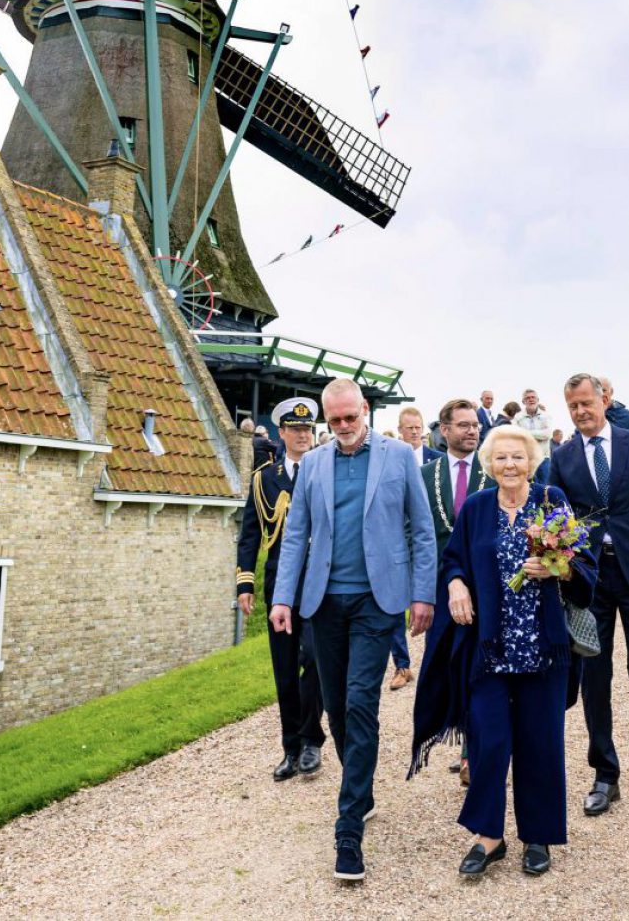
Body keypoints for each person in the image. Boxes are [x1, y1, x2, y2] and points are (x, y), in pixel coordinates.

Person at [412, 426, 597, 878]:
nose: (509, 465)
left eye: (517, 457)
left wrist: (557, 565)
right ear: (489, 465)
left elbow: (585, 567)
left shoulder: (552, 501)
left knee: (541, 743)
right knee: (489, 742)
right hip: (489, 647)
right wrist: (455, 584)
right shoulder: (475, 508)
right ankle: (488, 837)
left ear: (531, 462)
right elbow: (453, 558)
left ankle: (538, 836)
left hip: (543, 648)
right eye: (501, 458)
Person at [271, 377, 436, 882]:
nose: (344, 427)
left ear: (365, 410)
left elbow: (421, 527)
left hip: (376, 600)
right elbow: (296, 533)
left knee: (362, 701)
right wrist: (283, 597)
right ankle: (360, 790)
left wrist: (422, 593)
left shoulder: (399, 458)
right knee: (337, 706)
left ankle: (348, 831)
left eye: (351, 417)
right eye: (335, 420)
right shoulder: (315, 464)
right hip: (322, 603)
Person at [549, 374, 629, 812]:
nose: (580, 413)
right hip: (589, 579)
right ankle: (605, 772)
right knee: (595, 676)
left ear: (605, 400)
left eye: (586, 403)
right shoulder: (561, 457)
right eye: (572, 406)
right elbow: (556, 518)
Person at [236, 399, 325, 781]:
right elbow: (251, 532)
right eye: (296, 429)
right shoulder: (264, 478)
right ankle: (291, 746)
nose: (303, 435)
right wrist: (245, 582)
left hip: (320, 580)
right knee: (285, 666)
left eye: (308, 429)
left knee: (316, 660)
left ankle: (311, 740)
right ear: (282, 433)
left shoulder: (325, 471)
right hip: (280, 583)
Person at [419, 398, 486, 783]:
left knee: (479, 665)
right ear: (444, 430)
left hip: (483, 587)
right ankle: (456, 731)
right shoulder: (425, 475)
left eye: (475, 424)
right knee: (447, 664)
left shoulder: (491, 471)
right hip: (440, 587)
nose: (471, 430)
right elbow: (415, 533)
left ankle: (472, 752)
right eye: (462, 425)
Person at [387, 408, 442, 688]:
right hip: (397, 538)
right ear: (400, 430)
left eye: (418, 427)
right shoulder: (390, 459)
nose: (413, 431)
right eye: (408, 427)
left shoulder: (438, 462)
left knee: (429, 598)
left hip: (426, 539)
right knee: (396, 602)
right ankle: (402, 664)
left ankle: (436, 663)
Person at [513, 390, 551, 462]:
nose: (531, 400)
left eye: (533, 397)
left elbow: (548, 434)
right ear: (523, 402)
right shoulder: (517, 417)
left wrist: (525, 433)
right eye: (527, 398)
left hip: (543, 458)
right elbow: (516, 435)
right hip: (524, 459)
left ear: (537, 400)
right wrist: (539, 434)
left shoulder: (546, 416)